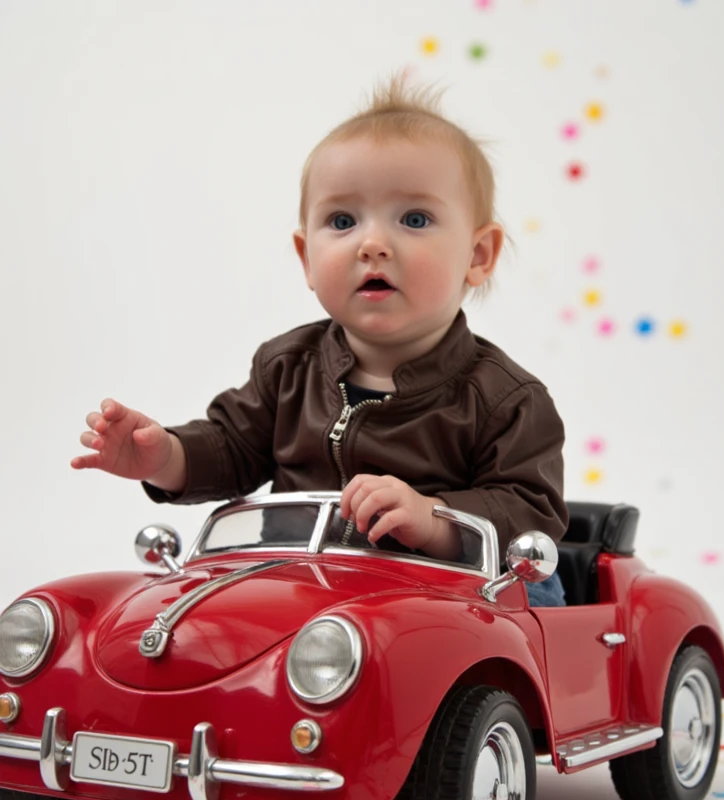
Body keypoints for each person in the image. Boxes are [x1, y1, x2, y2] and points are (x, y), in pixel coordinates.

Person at [71, 71, 568, 607]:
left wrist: (435, 518)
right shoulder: (287, 366)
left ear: (478, 255)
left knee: (530, 597)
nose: (373, 244)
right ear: (307, 257)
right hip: (303, 580)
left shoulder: (505, 399)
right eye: (343, 220)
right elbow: (233, 448)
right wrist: (164, 456)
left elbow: (530, 512)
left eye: (415, 218)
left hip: (455, 594)